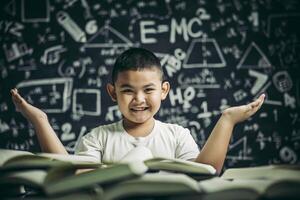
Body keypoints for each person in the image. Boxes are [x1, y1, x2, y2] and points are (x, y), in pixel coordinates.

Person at [10, 48, 265, 173]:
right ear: (113, 93)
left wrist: (227, 120)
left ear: (164, 91)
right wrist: (40, 121)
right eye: (128, 90)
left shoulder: (177, 135)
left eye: (149, 90)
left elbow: (206, 174)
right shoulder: (97, 138)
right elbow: (74, 175)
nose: (139, 99)